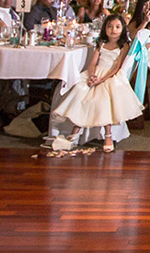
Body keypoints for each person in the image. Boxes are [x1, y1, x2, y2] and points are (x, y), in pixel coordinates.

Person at [50, 15, 144, 154]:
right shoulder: (101, 43)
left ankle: (108, 135)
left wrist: (101, 79)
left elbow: (116, 67)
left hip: (109, 76)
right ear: (104, 28)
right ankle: (74, 132)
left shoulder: (123, 45)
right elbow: (93, 62)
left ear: (123, 29)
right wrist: (92, 75)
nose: (113, 30)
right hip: (95, 74)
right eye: (110, 26)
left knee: (104, 98)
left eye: (117, 27)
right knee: (81, 94)